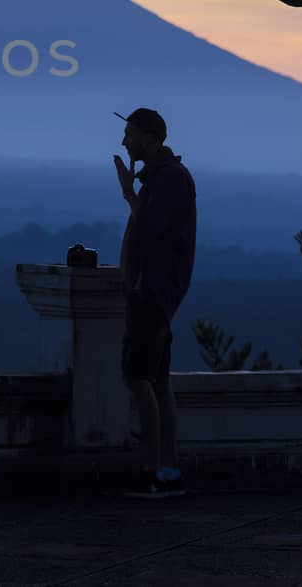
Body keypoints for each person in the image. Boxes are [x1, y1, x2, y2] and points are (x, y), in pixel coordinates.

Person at [113, 108, 197, 499]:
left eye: (129, 134)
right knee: (158, 381)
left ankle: (152, 469)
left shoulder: (170, 180)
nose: (125, 142)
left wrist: (129, 194)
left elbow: (151, 229)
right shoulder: (163, 178)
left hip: (154, 293)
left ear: (148, 136)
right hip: (153, 292)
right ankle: (168, 471)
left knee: (138, 378)